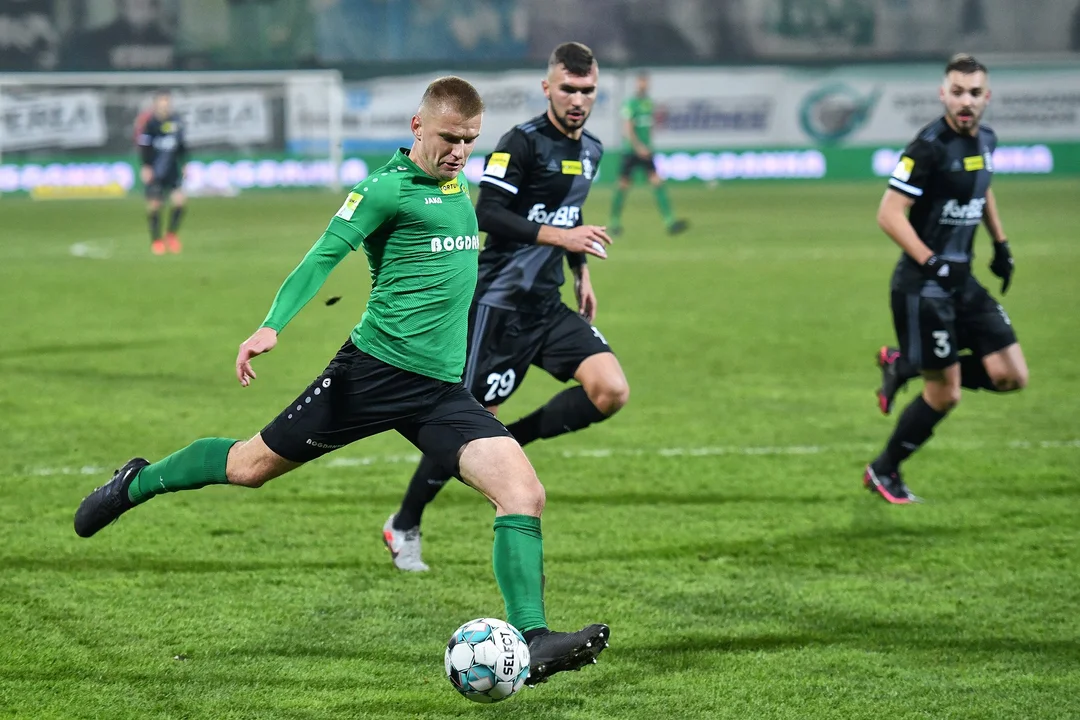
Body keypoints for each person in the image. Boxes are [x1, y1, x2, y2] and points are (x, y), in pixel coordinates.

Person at [73, 76, 609, 684]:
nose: (460, 152)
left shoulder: (457, 183)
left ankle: (533, 638)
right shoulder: (384, 189)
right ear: (417, 127)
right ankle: (137, 482)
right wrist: (271, 325)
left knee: (523, 493)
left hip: (439, 391)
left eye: (469, 140)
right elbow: (323, 256)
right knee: (249, 467)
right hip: (370, 376)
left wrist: (574, 267)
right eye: (449, 138)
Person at [383, 42, 628, 572]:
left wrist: (580, 270)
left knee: (610, 390)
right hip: (498, 304)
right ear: (548, 88)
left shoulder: (593, 149)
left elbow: (568, 213)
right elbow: (488, 213)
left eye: (587, 90)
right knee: (463, 423)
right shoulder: (521, 143)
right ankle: (404, 523)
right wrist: (563, 239)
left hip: (547, 305)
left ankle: (514, 438)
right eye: (568, 88)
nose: (578, 99)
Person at [865, 53, 1027, 504]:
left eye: (974, 93)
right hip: (923, 287)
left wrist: (1001, 243)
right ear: (943, 94)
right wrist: (932, 261)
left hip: (962, 282)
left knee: (1011, 375)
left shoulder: (986, 141)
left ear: (987, 97)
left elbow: (982, 187)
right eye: (957, 92)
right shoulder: (927, 147)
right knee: (945, 393)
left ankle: (907, 363)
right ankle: (883, 470)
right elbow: (888, 214)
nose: (965, 101)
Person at [608, 71, 687, 237]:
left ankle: (670, 221)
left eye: (645, 82)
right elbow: (627, 128)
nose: (643, 85)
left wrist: (648, 146)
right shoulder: (631, 103)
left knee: (657, 182)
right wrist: (638, 147)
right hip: (631, 150)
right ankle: (614, 222)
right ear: (637, 83)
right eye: (641, 82)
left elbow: (650, 127)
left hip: (646, 150)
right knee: (623, 185)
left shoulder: (649, 103)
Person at [137, 89, 186, 255]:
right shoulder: (150, 124)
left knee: (179, 202)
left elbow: (181, 145)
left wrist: (185, 163)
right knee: (155, 205)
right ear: (156, 105)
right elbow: (144, 147)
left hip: (172, 169)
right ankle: (156, 240)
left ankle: (171, 234)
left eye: (167, 103)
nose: (165, 106)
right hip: (156, 170)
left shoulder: (176, 122)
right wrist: (146, 166)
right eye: (162, 103)